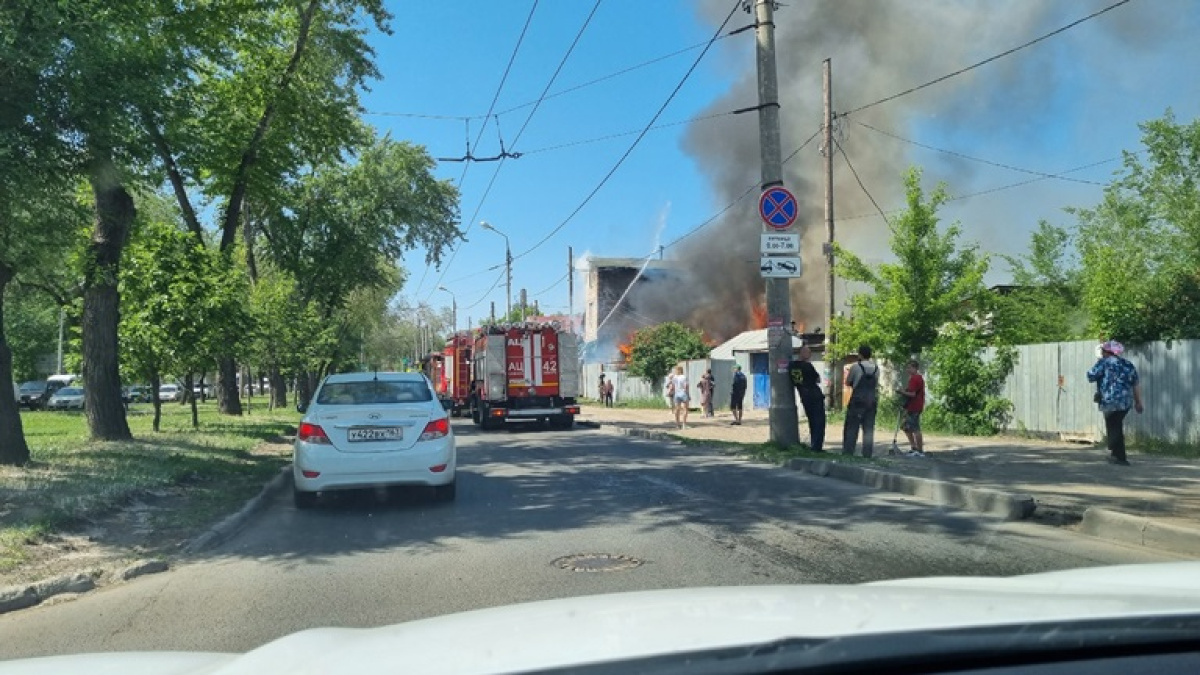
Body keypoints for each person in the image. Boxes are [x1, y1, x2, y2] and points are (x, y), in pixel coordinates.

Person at [1086, 340, 1143, 466]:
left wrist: (1098, 361)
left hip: (1109, 400)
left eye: (1103, 351)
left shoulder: (1103, 363)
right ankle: (1116, 454)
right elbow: (1136, 384)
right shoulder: (1128, 364)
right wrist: (1138, 401)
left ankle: (1118, 455)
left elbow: (1090, 376)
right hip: (1125, 402)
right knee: (1116, 425)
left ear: (1106, 352)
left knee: (1114, 426)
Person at [842, 345, 880, 457]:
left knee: (852, 427)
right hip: (871, 401)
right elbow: (876, 384)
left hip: (857, 401)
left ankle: (848, 452)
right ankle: (867, 454)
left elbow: (848, 382)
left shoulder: (856, 367)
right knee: (868, 429)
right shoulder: (876, 368)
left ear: (860, 354)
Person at [787, 345, 825, 452]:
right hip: (814, 395)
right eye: (808, 352)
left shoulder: (792, 366)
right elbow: (817, 379)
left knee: (812, 421)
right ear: (802, 353)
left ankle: (814, 445)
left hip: (804, 396)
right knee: (819, 422)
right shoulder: (807, 366)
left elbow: (795, 381)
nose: (810, 355)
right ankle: (817, 447)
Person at [898, 359, 926, 457]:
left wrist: (902, 392)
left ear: (915, 368)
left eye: (909, 367)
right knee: (906, 427)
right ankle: (913, 447)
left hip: (914, 406)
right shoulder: (916, 378)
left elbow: (912, 394)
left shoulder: (915, 379)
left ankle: (920, 450)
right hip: (912, 406)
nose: (907, 369)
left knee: (915, 428)